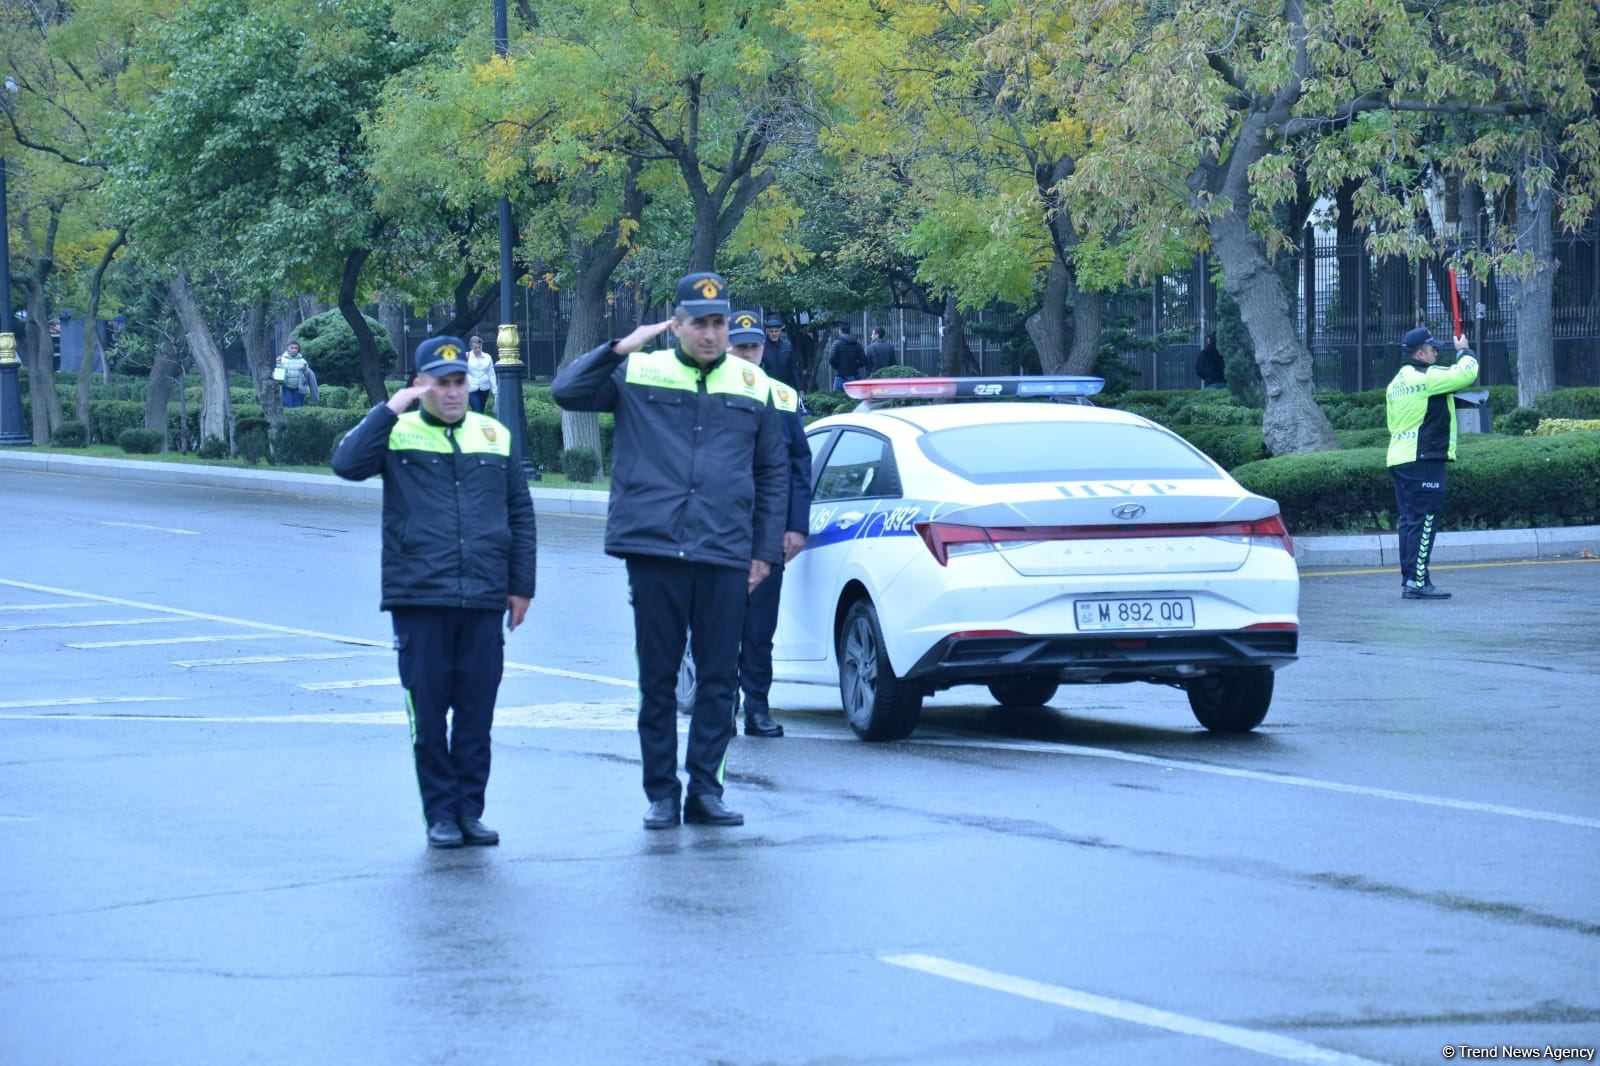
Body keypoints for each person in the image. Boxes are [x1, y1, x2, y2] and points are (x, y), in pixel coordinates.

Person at [552, 272, 786, 830]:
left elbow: (773, 472)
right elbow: (567, 391)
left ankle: (706, 791)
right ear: (676, 325)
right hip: (656, 548)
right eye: (698, 323)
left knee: (718, 680)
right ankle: (661, 793)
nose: (710, 334)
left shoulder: (753, 383)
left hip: (725, 551)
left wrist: (764, 550)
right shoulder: (641, 370)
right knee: (657, 680)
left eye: (718, 323)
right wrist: (621, 346)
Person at [331, 335, 537, 848]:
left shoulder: (494, 434)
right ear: (421, 385)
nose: (452, 392)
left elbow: (520, 513)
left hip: (483, 596)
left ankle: (469, 811)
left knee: (476, 715)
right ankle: (441, 814)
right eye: (440, 383)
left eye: (459, 382)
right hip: (420, 597)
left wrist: (521, 586)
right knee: (428, 715)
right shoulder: (397, 432)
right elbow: (347, 464)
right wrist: (391, 407)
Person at [727, 311, 812, 738]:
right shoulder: (708, 389)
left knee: (760, 628)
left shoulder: (782, 395)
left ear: (764, 348)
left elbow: (799, 464)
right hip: (719, 528)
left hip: (767, 530)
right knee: (719, 625)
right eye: (740, 346)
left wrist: (796, 526)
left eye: (754, 346)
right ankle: (721, 704)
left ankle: (757, 707)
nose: (747, 354)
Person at [1385, 326, 1478, 600]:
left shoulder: (1394, 385)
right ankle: (1417, 582)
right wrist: (1464, 350)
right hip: (1424, 458)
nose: (1436, 352)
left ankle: (1411, 580)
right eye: (1432, 348)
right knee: (1425, 520)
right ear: (1420, 354)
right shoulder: (1428, 377)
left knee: (1409, 521)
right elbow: (1467, 374)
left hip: (1399, 458)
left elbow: (1392, 423)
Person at [761, 315, 801, 391]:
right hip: (769, 386)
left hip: (786, 386)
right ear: (767, 331)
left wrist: (800, 388)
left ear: (780, 331)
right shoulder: (762, 347)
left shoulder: (787, 346)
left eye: (776, 331)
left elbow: (794, 368)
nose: (774, 334)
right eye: (771, 331)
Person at [827, 323, 867, 391]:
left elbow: (831, 358)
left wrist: (837, 367)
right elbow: (864, 360)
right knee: (853, 395)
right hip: (853, 375)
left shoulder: (836, 343)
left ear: (840, 331)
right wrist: (856, 366)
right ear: (849, 331)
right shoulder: (857, 344)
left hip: (840, 375)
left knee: (837, 396)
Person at [465, 335, 498, 413]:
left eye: (479, 347)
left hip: (484, 388)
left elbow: (491, 374)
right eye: (475, 348)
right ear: (471, 347)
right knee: (477, 410)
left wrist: (495, 391)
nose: (478, 349)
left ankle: (476, 421)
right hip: (471, 388)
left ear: (482, 345)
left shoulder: (487, 357)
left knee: (481, 411)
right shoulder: (466, 356)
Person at [276, 341, 311, 408]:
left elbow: (307, 375)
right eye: (292, 348)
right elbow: (278, 373)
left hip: (299, 388)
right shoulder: (282, 359)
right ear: (288, 348)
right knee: (288, 406)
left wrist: (305, 370)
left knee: (299, 407)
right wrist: (278, 363)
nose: (294, 350)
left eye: (296, 348)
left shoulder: (302, 361)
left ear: (298, 349)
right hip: (286, 387)